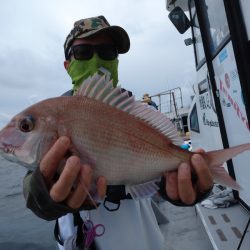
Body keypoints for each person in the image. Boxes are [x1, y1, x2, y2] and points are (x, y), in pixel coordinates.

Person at [23, 16, 213, 250]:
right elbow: (32, 191)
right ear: (67, 64)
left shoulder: (137, 115)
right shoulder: (53, 116)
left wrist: (187, 183)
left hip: (140, 238)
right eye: (83, 52)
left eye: (107, 51)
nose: (96, 60)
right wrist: (42, 192)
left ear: (116, 60)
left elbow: (162, 169)